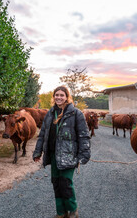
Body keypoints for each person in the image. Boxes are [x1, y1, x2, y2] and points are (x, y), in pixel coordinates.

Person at [33, 86, 91, 218]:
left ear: (67, 97)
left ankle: (72, 211)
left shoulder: (76, 113)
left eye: (61, 95)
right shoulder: (50, 113)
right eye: (56, 95)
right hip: (53, 155)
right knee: (56, 183)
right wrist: (38, 152)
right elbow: (42, 134)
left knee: (65, 183)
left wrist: (84, 154)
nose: (59, 97)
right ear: (54, 97)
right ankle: (61, 212)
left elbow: (84, 135)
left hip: (68, 155)